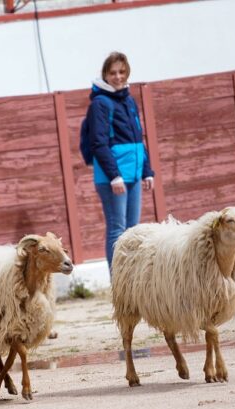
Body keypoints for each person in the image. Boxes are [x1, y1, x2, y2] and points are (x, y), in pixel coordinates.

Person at [85, 51, 154, 271]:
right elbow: (98, 143)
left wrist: (147, 171)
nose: (118, 77)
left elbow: (138, 138)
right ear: (105, 74)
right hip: (112, 178)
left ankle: (131, 280)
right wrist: (114, 176)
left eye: (122, 72)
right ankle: (117, 280)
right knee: (117, 229)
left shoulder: (129, 100)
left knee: (133, 231)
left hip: (133, 174)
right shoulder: (100, 103)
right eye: (113, 73)